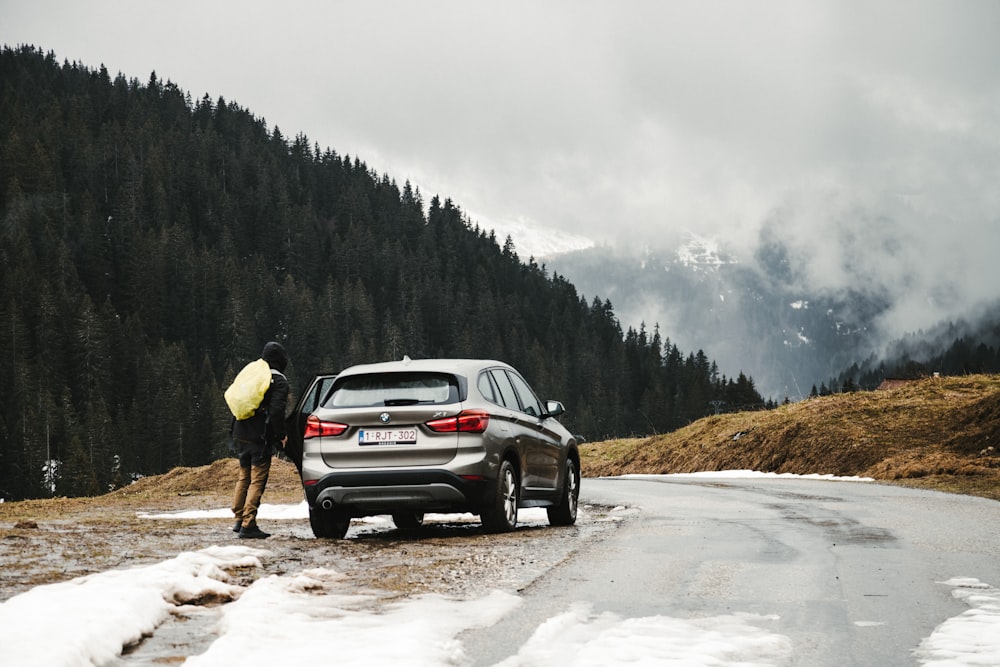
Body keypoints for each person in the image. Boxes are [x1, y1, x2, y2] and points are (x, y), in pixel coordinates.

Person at [231, 341, 289, 539]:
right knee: (257, 480)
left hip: (241, 432)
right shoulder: (279, 380)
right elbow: (276, 411)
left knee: (243, 476)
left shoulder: (256, 375)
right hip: (260, 437)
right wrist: (281, 435)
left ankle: (239, 520)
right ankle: (249, 524)